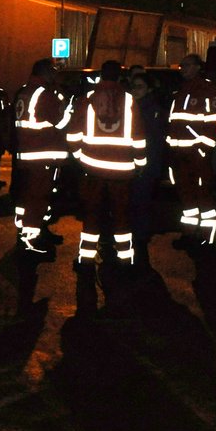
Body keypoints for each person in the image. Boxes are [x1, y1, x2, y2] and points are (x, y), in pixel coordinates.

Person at [67, 59, 147, 278]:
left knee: (91, 214)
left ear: (101, 75)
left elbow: (72, 136)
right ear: (120, 76)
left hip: (92, 170)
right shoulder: (130, 100)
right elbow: (138, 138)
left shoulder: (88, 99)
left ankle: (86, 259)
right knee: (122, 215)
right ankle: (125, 259)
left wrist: (81, 158)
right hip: (122, 172)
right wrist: (139, 164)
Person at [11, 57, 71, 259]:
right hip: (43, 154)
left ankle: (30, 231)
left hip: (28, 153)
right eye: (53, 70)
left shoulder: (25, 91)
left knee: (27, 197)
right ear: (44, 72)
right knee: (38, 198)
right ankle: (31, 241)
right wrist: (68, 106)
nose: (56, 74)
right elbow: (62, 122)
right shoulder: (45, 94)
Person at [168, 53, 216, 248]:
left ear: (198, 67)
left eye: (187, 65)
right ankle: (189, 234)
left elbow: (213, 123)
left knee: (203, 197)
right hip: (180, 155)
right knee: (186, 196)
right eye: (182, 66)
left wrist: (202, 149)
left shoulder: (206, 90)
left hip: (197, 156)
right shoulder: (181, 91)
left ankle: (207, 237)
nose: (183, 69)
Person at [127, 70, 170, 268]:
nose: (135, 90)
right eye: (133, 86)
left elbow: (152, 141)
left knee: (141, 202)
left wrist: (144, 165)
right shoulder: (133, 107)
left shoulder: (152, 110)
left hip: (145, 165)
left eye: (140, 86)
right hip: (133, 164)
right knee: (133, 202)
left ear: (149, 89)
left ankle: (140, 240)